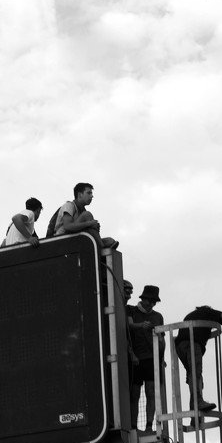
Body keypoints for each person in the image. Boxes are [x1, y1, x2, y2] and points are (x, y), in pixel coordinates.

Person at [127, 285, 165, 430]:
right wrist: (141, 326)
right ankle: (133, 426)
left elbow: (162, 338)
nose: (151, 304)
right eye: (149, 300)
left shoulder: (158, 316)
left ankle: (149, 425)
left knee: (151, 391)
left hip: (152, 358)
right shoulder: (130, 310)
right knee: (134, 393)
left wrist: (161, 358)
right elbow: (128, 326)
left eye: (154, 302)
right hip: (135, 357)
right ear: (142, 299)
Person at [52, 182, 119, 249]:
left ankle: (99, 245)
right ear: (80, 194)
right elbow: (67, 226)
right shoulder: (69, 205)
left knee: (110, 241)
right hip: (62, 240)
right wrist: (89, 224)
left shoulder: (82, 210)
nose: (92, 196)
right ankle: (101, 247)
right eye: (89, 193)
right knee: (87, 215)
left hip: (75, 237)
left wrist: (94, 227)